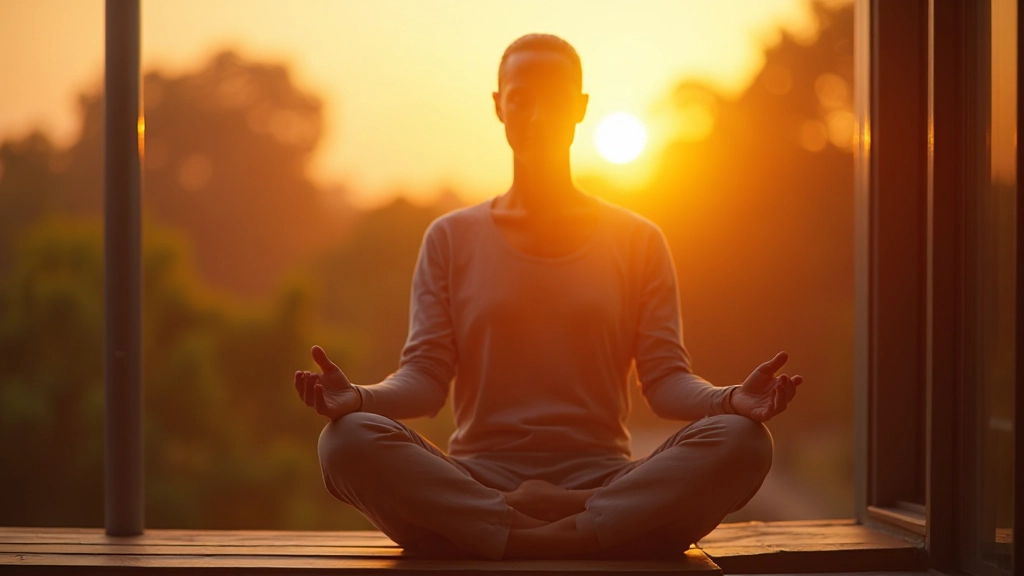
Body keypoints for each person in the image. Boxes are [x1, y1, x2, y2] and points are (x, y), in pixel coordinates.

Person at [293, 33, 802, 560]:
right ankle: (579, 528)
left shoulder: (637, 240)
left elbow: (666, 381)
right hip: (479, 477)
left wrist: (731, 400)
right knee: (344, 441)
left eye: (555, 99)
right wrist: (357, 399)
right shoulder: (451, 238)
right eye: (521, 98)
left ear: (580, 108)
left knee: (744, 442)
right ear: (499, 106)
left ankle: (515, 532)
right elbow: (423, 381)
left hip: (603, 475)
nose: (537, 115)